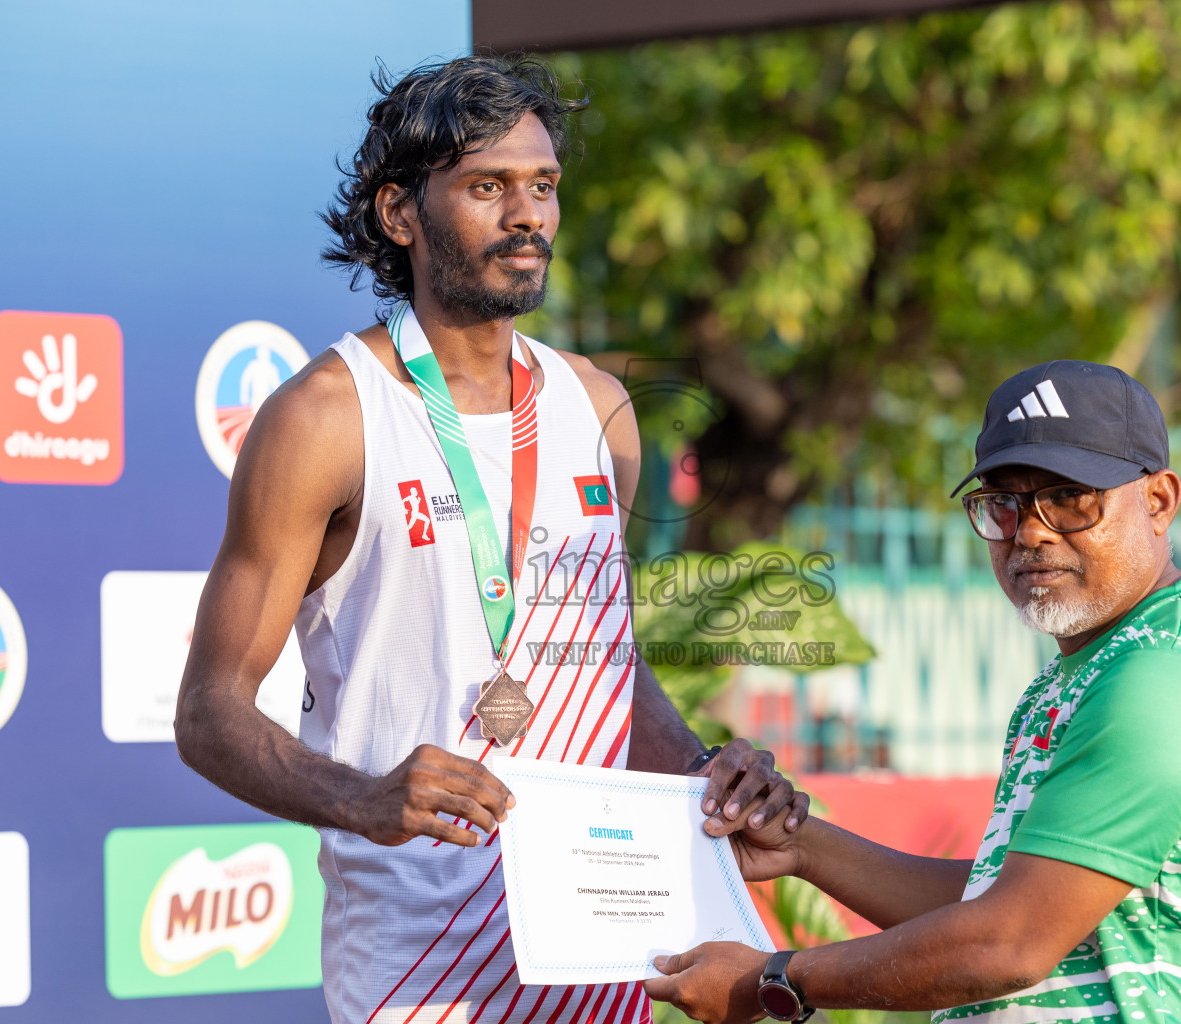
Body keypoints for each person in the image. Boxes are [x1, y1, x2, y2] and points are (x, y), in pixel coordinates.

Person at [174, 55, 806, 1024]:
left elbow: (606, 667)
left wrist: (699, 769)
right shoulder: (327, 415)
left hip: (597, 954)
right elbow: (209, 712)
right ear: (399, 214)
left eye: (543, 186)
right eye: (488, 186)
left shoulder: (600, 406)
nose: (529, 214)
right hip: (420, 973)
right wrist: (362, 797)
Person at [643, 361, 1181, 1024]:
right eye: (1004, 505)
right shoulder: (1090, 669)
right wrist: (801, 845)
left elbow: (1010, 941)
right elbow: (1008, 900)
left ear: (1158, 501)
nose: (1032, 532)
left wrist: (772, 979)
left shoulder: (1161, 677)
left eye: (1071, 498)